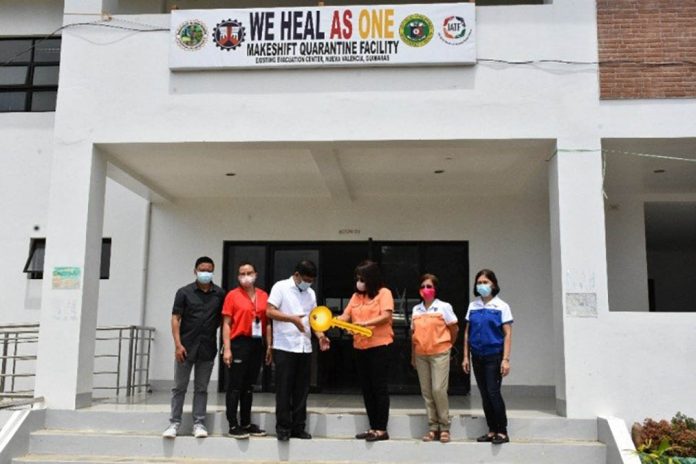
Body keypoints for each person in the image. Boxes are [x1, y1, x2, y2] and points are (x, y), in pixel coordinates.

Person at [266, 260, 330, 441]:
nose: (308, 283)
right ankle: (283, 427)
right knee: (284, 388)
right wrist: (292, 319)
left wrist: (320, 336)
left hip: (304, 346)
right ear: (297, 275)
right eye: (306, 279)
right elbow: (270, 311)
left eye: (311, 280)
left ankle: (298, 427)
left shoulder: (310, 293)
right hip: (285, 345)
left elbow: (313, 319)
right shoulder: (281, 287)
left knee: (302, 389)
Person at [163, 256, 225, 439]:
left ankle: (199, 424)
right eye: (202, 269)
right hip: (185, 347)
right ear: (195, 271)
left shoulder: (220, 294)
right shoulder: (184, 292)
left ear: (213, 271)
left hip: (207, 348)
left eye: (209, 270)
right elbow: (175, 319)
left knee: (201, 388)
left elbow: (223, 319)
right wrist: (177, 344)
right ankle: (174, 423)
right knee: (179, 387)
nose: (205, 273)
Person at [337, 260, 394, 442]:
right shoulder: (356, 297)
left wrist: (365, 324)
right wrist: (334, 320)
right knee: (367, 388)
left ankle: (381, 429)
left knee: (379, 387)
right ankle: (372, 427)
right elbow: (346, 315)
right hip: (360, 347)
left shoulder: (384, 293)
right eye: (357, 278)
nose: (359, 282)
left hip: (379, 346)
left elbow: (386, 316)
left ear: (371, 278)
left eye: (362, 278)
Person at [221, 262, 273, 439]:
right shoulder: (232, 296)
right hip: (238, 343)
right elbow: (226, 324)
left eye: (249, 272)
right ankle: (233, 424)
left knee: (249, 386)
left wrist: (269, 346)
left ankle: (246, 422)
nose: (246, 276)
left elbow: (267, 324)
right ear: (238, 276)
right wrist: (227, 348)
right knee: (235, 385)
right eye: (242, 273)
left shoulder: (263, 295)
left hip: (257, 343)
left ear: (256, 274)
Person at [462, 269, 513, 445]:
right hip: (477, 356)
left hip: (494, 356)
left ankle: (502, 431)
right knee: (484, 394)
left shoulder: (502, 306)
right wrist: (465, 357)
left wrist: (505, 359)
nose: (482, 285)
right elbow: (467, 333)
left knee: (493, 392)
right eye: (479, 283)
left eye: (485, 282)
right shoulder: (473, 306)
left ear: (494, 284)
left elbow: (507, 334)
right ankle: (491, 430)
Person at [410, 273, 459, 443]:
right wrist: (413, 356)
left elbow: (454, 329)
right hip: (421, 354)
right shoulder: (416, 310)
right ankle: (433, 426)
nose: (426, 289)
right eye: (423, 286)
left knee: (438, 389)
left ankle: (444, 426)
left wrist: (448, 345)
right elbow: (413, 334)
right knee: (427, 392)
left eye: (429, 286)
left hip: (439, 353)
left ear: (435, 289)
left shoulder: (444, 307)